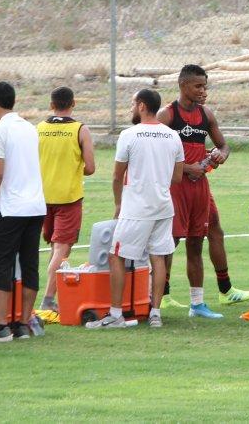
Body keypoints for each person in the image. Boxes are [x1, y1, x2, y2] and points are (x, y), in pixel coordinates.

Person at [158, 64, 249, 318]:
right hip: (175, 188)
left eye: (205, 87)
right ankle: (160, 296)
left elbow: (223, 145)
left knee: (196, 241)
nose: (204, 92)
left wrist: (219, 155)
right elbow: (154, 154)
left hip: (200, 187)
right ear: (183, 86)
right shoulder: (167, 116)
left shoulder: (206, 115)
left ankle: (198, 304)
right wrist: (185, 167)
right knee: (170, 241)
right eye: (198, 86)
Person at [87, 89, 183, 330]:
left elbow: (117, 175)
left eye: (133, 104)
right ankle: (156, 314)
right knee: (158, 257)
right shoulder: (173, 136)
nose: (131, 108)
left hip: (137, 208)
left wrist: (119, 203)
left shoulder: (129, 135)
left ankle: (116, 314)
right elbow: (178, 177)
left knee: (116, 255)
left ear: (141, 106)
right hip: (163, 205)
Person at [0, 82, 47, 342]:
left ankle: (0, 325)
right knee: (30, 263)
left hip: (11, 207)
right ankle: (22, 323)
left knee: (2, 264)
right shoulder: (30, 128)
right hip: (36, 205)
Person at [37, 86, 96, 313]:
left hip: (43, 197)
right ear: (73, 104)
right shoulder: (80, 130)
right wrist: (71, 168)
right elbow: (90, 167)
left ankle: (53, 296)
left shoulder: (39, 129)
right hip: (68, 197)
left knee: (55, 248)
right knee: (62, 248)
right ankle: (48, 300)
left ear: (51, 105)